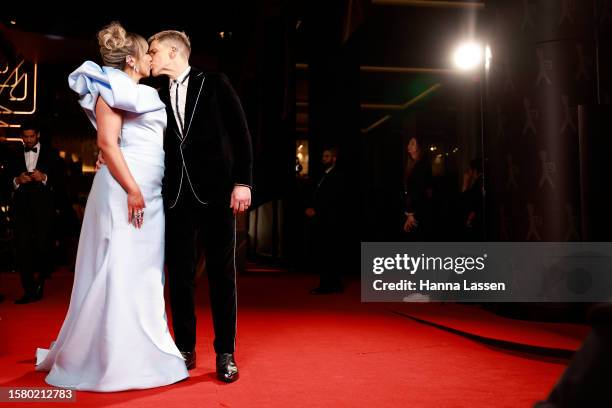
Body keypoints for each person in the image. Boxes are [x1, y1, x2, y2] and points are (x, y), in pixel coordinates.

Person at [35, 22, 188, 391]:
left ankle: (141, 348)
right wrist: (132, 189)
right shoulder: (111, 87)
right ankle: (110, 358)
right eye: (147, 54)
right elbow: (107, 143)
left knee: (145, 270)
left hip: (147, 192)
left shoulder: (140, 90)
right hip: (127, 190)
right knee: (119, 265)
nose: (152, 58)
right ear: (133, 60)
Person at [148, 30, 252, 382]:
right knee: (179, 275)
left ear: (174, 51)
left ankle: (225, 352)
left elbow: (241, 133)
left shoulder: (215, 82)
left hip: (217, 192)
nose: (150, 56)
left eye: (154, 50)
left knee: (222, 275)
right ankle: (186, 350)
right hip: (175, 197)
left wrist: (243, 182)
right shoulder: (155, 94)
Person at [8, 119, 63, 304]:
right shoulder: (13, 154)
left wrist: (44, 177)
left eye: (32, 136)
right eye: (26, 137)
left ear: (38, 135)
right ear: (21, 137)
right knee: (23, 248)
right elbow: (4, 179)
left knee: (42, 247)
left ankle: (40, 282)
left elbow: (61, 180)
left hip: (43, 208)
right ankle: (29, 290)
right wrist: (17, 180)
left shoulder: (51, 153)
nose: (29, 140)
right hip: (21, 208)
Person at [305, 147, 344, 294]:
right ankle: (331, 284)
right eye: (323, 156)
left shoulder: (336, 176)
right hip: (322, 221)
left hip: (330, 221)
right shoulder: (323, 175)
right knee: (325, 253)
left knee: (330, 253)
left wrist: (317, 210)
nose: (324, 159)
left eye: (327, 156)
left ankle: (329, 285)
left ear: (334, 159)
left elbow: (333, 200)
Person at [402, 136, 433, 240]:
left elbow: (418, 190)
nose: (408, 145)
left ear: (418, 148)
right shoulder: (411, 165)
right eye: (409, 143)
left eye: (412, 143)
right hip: (414, 209)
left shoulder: (421, 165)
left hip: (418, 210)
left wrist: (410, 214)